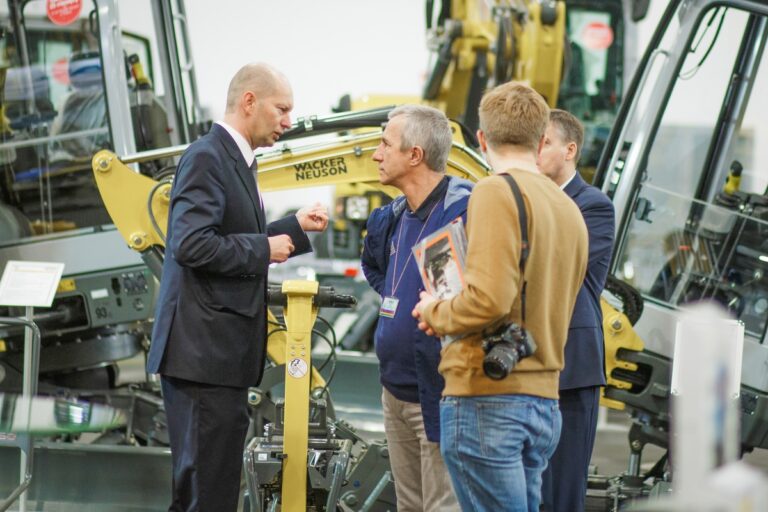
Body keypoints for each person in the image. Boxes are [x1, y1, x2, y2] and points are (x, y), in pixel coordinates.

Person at [146, 63, 329, 512]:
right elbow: (190, 244)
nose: (288, 120)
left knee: (208, 490)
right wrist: (265, 247)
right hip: (203, 360)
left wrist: (293, 229)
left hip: (214, 360)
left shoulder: (235, 159)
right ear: (249, 101)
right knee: (207, 495)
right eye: (282, 108)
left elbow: (228, 233)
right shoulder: (209, 156)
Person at [412, 82, 589, 512]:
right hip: (543, 400)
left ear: (480, 139)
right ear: (542, 139)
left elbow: (487, 300)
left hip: (487, 400)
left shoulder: (495, 190)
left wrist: (434, 310)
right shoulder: (569, 208)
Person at [361, 104, 472, 511]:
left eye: (385, 144)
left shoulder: (459, 212)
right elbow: (374, 266)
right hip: (394, 390)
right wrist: (397, 293)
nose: (376, 154)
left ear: (415, 155)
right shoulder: (391, 216)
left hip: (438, 393)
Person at [539, 109, 615, 512]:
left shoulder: (593, 206)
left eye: (545, 142)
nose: (536, 150)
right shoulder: (525, 198)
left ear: (570, 150)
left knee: (561, 493)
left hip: (570, 368)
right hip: (529, 364)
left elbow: (564, 268)